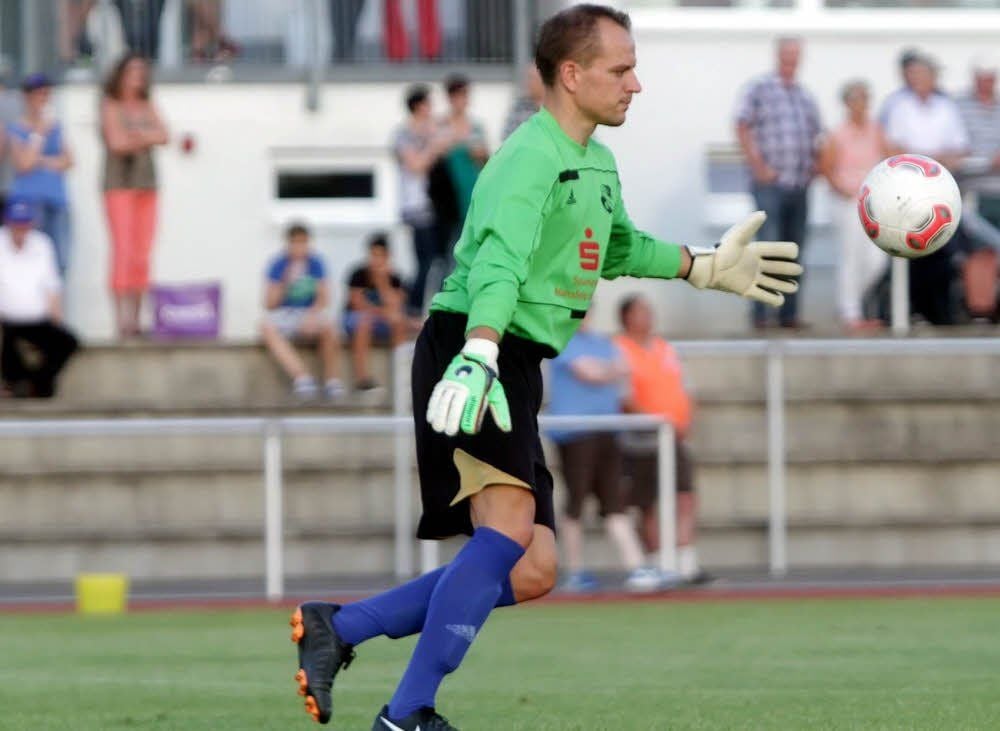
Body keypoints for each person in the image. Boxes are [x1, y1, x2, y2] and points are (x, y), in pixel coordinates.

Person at [288, 6, 801, 729]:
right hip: (474, 348)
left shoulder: (595, 160)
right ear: (572, 74)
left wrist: (703, 265)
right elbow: (498, 261)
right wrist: (481, 352)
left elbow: (616, 248)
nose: (635, 84)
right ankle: (406, 715)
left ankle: (339, 627)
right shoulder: (527, 156)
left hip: (513, 363)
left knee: (532, 568)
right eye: (621, 69)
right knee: (505, 530)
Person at [546, 311, 665, 593]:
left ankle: (636, 566)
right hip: (574, 432)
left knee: (614, 501)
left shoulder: (601, 342)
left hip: (607, 430)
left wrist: (607, 370)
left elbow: (619, 369)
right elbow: (591, 373)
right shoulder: (561, 339)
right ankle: (574, 571)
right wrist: (609, 370)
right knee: (576, 501)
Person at [614, 295, 708, 585]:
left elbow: (684, 385)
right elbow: (623, 396)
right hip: (642, 437)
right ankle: (656, 562)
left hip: (674, 434)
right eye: (640, 311)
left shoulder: (664, 347)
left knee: (685, 495)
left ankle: (685, 561)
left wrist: (685, 419)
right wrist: (654, 421)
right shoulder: (619, 349)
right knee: (648, 502)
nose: (647, 316)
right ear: (626, 316)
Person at [736, 36, 822, 330]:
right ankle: (761, 315)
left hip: (799, 186)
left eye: (796, 56)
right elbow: (741, 124)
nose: (791, 60)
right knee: (768, 249)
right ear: (777, 56)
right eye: (787, 55)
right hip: (769, 186)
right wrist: (758, 166)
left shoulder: (804, 96)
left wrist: (815, 167)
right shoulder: (759, 88)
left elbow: (817, 135)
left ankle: (789, 315)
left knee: (795, 251)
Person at [884, 53, 969, 326]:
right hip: (910, 190)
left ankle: (940, 311)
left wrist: (926, 159)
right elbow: (893, 148)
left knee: (943, 250)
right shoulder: (900, 107)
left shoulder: (947, 108)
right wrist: (929, 160)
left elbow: (959, 149)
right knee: (912, 250)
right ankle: (913, 309)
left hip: (941, 191)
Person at [100, 52, 169, 338]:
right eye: (133, 71)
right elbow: (116, 142)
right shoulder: (111, 104)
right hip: (119, 184)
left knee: (142, 252)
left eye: (142, 71)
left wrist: (137, 136)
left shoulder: (147, 104)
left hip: (146, 184)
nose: (138, 77)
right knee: (123, 251)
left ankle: (138, 320)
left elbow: (165, 135)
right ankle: (121, 321)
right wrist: (145, 135)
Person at [819, 80, 889, 331]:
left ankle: (851, 304)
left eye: (864, 99)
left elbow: (889, 159)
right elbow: (825, 168)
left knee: (876, 259)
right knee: (851, 255)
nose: (860, 105)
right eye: (855, 99)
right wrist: (844, 192)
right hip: (847, 202)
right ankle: (851, 313)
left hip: (873, 202)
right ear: (847, 103)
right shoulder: (837, 134)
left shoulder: (876, 130)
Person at [0, 198, 78, 399]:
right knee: (7, 345)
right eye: (16, 225)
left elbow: (51, 283)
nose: (20, 230)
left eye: (24, 224)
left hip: (36, 318)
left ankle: (37, 383)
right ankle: (17, 382)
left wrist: (56, 312)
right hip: (6, 319)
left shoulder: (42, 243)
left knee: (67, 343)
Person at [260, 222, 345, 402]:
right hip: (286, 314)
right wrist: (286, 282)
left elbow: (324, 299)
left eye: (303, 243)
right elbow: (269, 304)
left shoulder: (316, 263)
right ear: (288, 244)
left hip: (310, 313)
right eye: (295, 243)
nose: (299, 247)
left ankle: (332, 381)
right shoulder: (278, 264)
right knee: (266, 327)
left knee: (330, 327)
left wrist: (311, 315)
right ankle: (303, 378)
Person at [7, 74, 74, 276]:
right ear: (27, 97)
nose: (43, 99)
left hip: (57, 201)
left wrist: (41, 161)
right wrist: (39, 134)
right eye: (39, 94)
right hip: (30, 204)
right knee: (30, 261)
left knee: (59, 262)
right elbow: (24, 164)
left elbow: (69, 161)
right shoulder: (15, 128)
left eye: (46, 94)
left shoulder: (56, 126)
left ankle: (53, 307)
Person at [393, 84, 451, 315]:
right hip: (417, 207)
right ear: (418, 106)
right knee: (425, 261)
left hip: (439, 206)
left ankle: (435, 306)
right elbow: (416, 166)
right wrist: (433, 147)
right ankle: (413, 308)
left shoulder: (434, 131)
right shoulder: (403, 134)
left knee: (441, 260)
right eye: (428, 104)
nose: (431, 109)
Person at [343, 232, 407, 396]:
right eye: (373, 254)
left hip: (381, 320)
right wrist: (381, 311)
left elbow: (396, 305)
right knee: (364, 321)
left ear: (388, 257)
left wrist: (382, 282)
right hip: (356, 320)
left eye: (380, 255)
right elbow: (357, 304)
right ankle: (362, 379)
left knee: (398, 322)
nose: (375, 260)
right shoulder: (358, 274)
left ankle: (402, 379)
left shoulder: (395, 279)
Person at [502, 64, 544, 142]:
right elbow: (507, 136)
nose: (529, 82)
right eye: (529, 78)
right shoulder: (519, 106)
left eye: (534, 78)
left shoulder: (554, 106)